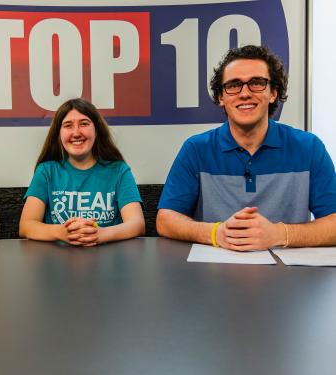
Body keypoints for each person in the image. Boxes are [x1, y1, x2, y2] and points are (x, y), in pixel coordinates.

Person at [156, 45, 336, 251]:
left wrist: (280, 234)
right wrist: (217, 233)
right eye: (233, 85)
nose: (245, 93)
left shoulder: (309, 148)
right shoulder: (196, 149)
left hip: (288, 277)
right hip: (212, 276)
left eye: (257, 83)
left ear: (273, 93)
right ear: (221, 98)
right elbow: (165, 220)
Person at [19, 98, 145, 246]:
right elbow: (26, 226)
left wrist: (101, 234)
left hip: (109, 261)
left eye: (84, 124)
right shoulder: (47, 171)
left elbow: (137, 224)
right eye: (68, 125)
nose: (76, 133)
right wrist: (61, 232)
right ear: (59, 134)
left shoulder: (119, 170)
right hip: (57, 262)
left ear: (96, 130)